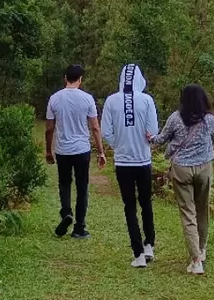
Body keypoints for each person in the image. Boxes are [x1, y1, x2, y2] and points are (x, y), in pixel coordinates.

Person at [153, 83, 214, 275]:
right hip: (204, 167)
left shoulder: (176, 118)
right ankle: (203, 249)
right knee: (203, 209)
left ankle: (196, 259)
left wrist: (150, 138)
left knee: (187, 213)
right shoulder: (208, 119)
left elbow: (161, 139)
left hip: (181, 169)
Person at [100, 63, 159, 269]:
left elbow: (106, 131)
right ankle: (149, 244)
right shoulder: (147, 100)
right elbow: (153, 131)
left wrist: (118, 145)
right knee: (146, 203)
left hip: (123, 162)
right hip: (143, 160)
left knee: (129, 206)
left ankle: (138, 254)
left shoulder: (111, 101)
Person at [45, 63, 105, 239]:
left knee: (64, 183)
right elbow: (95, 127)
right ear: (80, 79)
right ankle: (79, 227)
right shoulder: (87, 99)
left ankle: (66, 213)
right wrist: (101, 151)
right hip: (81, 149)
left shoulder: (54, 99)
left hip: (62, 149)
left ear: (65, 78)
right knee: (82, 187)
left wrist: (49, 151)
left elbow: (49, 128)